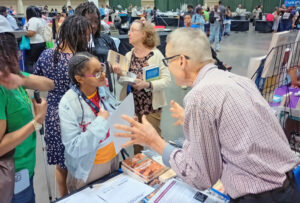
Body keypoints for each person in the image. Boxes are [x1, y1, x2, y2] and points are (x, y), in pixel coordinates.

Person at [114, 28, 300, 203]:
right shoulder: (237, 79)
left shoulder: (200, 96)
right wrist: (191, 120)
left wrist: (155, 142)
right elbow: (240, 131)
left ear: (181, 61)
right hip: (287, 184)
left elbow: (201, 177)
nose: (168, 67)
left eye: (167, 61)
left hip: (261, 196)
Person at [33, 15, 92, 197]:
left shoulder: (47, 54)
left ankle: (64, 196)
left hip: (53, 113)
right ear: (79, 35)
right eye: (87, 35)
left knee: (61, 163)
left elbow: (36, 82)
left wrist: (39, 110)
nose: (88, 39)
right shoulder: (80, 60)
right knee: (80, 159)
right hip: (76, 114)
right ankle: (80, 195)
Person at [0, 22, 52, 203]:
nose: (19, 52)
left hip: (24, 169)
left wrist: (18, 77)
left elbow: (48, 84)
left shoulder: (11, 77)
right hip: (10, 175)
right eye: (14, 47)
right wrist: (37, 121)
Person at [59, 52, 119, 192]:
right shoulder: (68, 103)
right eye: (96, 73)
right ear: (79, 78)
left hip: (111, 158)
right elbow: (74, 147)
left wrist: (123, 118)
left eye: (102, 69)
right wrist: (100, 121)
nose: (103, 75)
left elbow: (112, 108)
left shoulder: (102, 89)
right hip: (88, 168)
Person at [112, 20, 171, 154]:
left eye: (133, 30)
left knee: (155, 140)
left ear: (143, 34)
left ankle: (163, 165)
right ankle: (139, 170)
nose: (129, 33)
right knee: (136, 141)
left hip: (151, 106)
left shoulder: (156, 55)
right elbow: (123, 82)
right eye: (129, 30)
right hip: (132, 106)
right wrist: (120, 74)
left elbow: (167, 80)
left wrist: (147, 84)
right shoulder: (128, 55)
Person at [24, 6, 46, 74]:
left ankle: (31, 78)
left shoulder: (33, 20)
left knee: (29, 62)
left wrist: (23, 33)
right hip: (41, 42)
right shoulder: (41, 19)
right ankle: (39, 75)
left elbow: (31, 33)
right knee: (38, 61)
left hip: (34, 43)